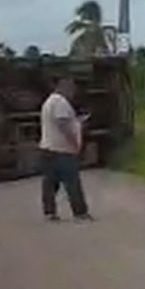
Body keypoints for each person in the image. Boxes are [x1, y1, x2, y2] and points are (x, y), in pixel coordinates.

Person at [39, 76, 93, 222]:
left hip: (48, 147)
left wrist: (77, 121)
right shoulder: (60, 102)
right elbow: (62, 123)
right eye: (72, 88)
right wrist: (74, 142)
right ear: (65, 87)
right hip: (62, 149)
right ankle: (80, 213)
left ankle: (49, 212)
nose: (74, 92)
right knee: (72, 182)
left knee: (50, 183)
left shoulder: (50, 101)